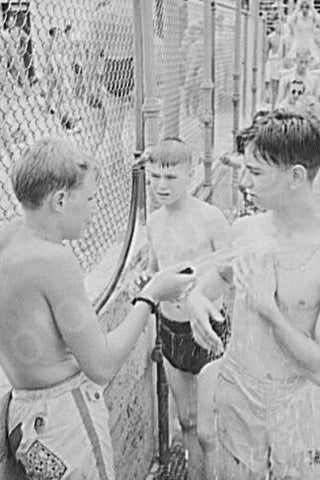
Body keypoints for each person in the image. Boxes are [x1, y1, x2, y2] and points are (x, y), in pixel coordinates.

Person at [0, 136, 196, 480]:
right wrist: (151, 296)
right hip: (66, 420)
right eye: (90, 199)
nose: (94, 209)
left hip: (24, 416)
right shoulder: (54, 260)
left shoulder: (8, 238)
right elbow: (102, 366)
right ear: (60, 200)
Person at [188, 109, 320, 479]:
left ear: (296, 176)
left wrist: (270, 311)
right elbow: (214, 277)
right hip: (237, 389)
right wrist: (198, 299)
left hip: (295, 400)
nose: (244, 181)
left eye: (256, 172)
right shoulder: (247, 229)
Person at [145, 137, 231, 479]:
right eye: (154, 177)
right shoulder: (153, 222)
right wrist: (145, 278)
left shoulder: (211, 218)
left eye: (171, 177)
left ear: (190, 173)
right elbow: (156, 270)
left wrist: (202, 295)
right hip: (170, 330)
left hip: (208, 330)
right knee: (187, 421)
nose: (161, 186)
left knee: (209, 432)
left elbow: (229, 271)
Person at [287, 0, 320, 65]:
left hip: (310, 45)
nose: (304, 9)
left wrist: (312, 7)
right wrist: (297, 8)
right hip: (297, 45)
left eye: (306, 7)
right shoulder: (297, 16)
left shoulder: (312, 16)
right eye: (302, 7)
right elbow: (290, 22)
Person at [265, 19, 282, 109]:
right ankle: (273, 107)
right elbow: (266, 52)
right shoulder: (270, 37)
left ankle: (280, 106)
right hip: (273, 63)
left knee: (282, 86)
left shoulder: (285, 37)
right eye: (277, 24)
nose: (279, 26)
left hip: (282, 64)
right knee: (274, 86)